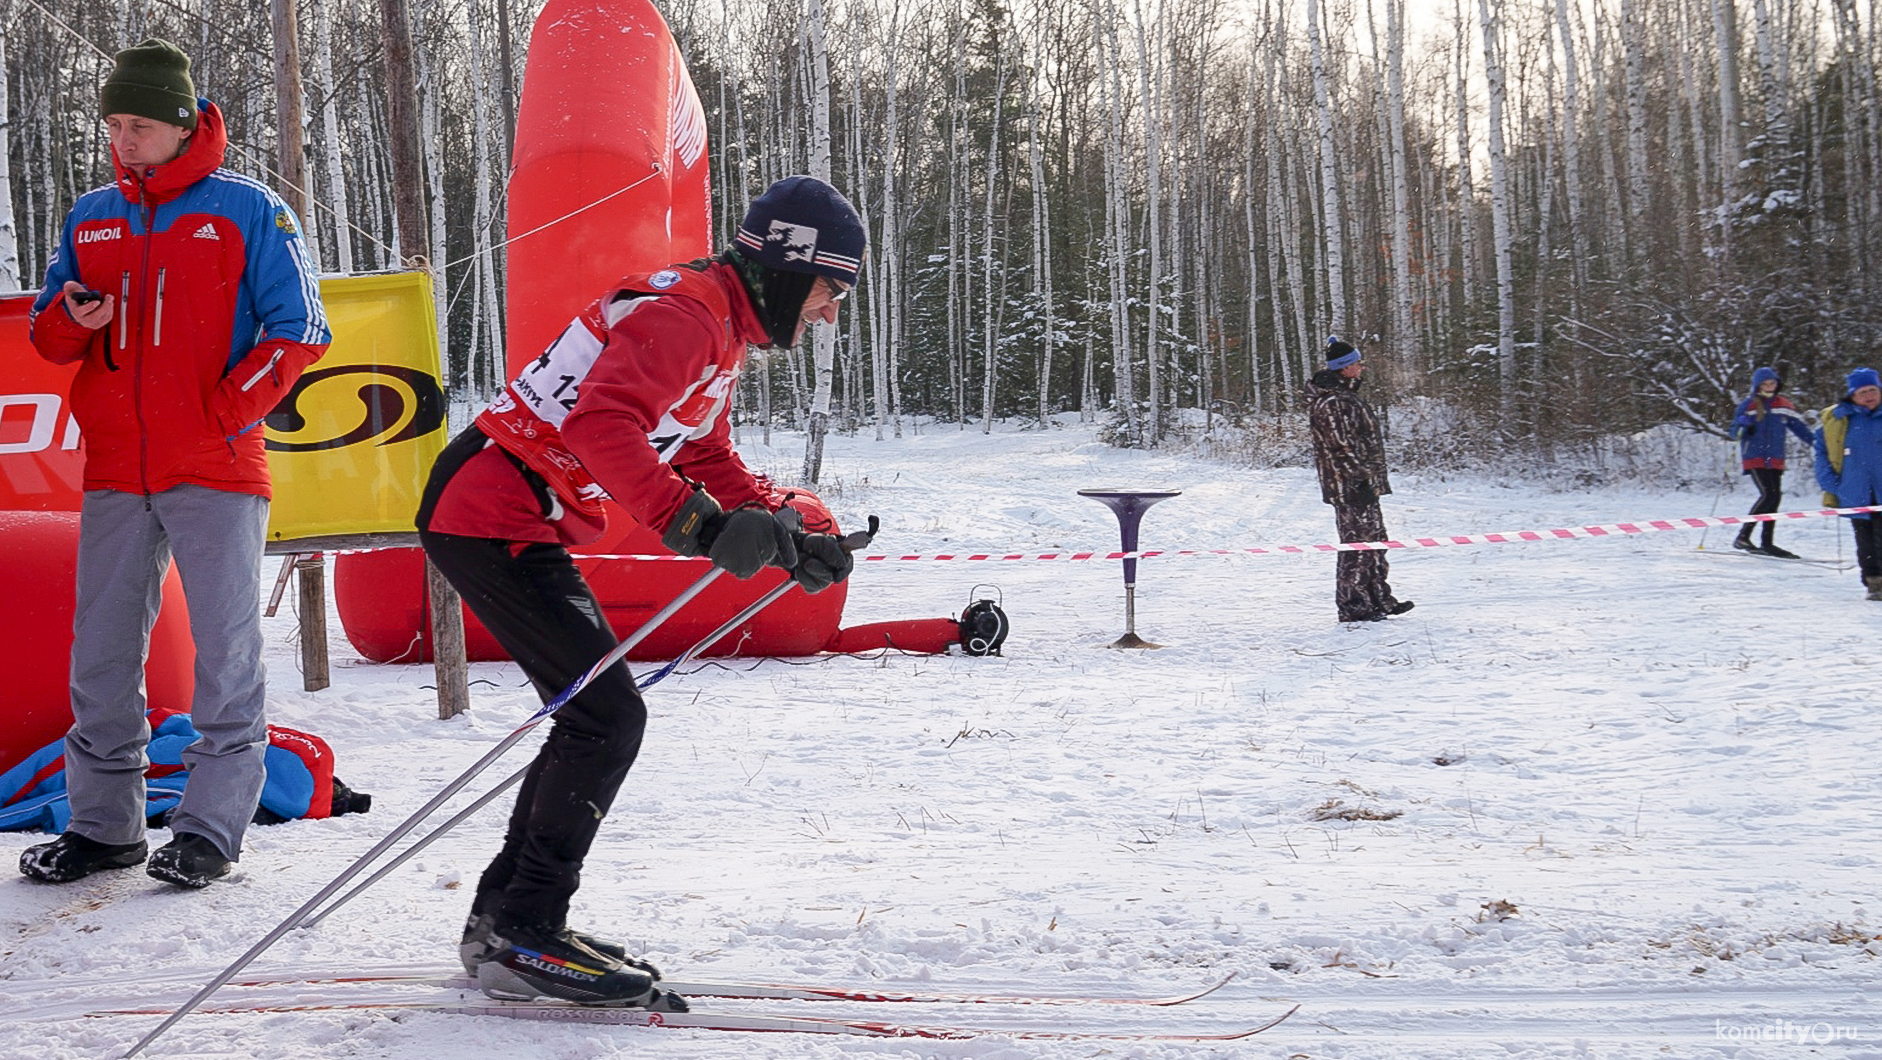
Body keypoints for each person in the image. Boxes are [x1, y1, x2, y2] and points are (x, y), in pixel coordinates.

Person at [415, 176, 864, 1009]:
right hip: (490, 507)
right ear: (789, 270)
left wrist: (788, 529)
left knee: (593, 713)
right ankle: (526, 929)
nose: (828, 313)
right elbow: (600, 424)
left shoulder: (718, 326)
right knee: (606, 715)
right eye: (830, 291)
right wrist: (692, 529)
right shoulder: (688, 315)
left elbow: (703, 457)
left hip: (514, 513)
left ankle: (506, 922)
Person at [18, 40, 330, 889]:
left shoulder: (246, 208)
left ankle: (209, 831)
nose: (125, 139)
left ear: (183, 122)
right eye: (115, 124)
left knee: (226, 654)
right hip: (118, 468)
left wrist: (225, 411)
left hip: (218, 468)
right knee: (103, 654)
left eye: (141, 124)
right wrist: (76, 318)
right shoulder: (92, 216)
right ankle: (103, 828)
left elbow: (300, 328)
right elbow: (49, 335)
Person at [1307, 336, 1413, 623]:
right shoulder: (1331, 403)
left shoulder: (1347, 397)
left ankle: (1379, 599)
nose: (1361, 367)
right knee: (1357, 546)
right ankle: (1355, 606)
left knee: (1376, 542)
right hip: (1350, 487)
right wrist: (1359, 478)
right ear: (1343, 368)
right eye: (1356, 363)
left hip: (1364, 484)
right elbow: (1340, 447)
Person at [1730, 366, 1815, 558]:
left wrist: (1816, 442)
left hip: (1775, 458)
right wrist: (1743, 427)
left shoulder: (1783, 404)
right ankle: (1743, 536)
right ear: (1757, 385)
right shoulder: (1748, 405)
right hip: (1754, 457)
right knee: (1769, 494)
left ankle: (1767, 543)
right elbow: (1734, 432)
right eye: (1765, 384)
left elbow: (1799, 427)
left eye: (1772, 383)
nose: (1769, 386)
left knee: (1775, 497)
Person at [1814, 367, 1882, 599]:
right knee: (1865, 543)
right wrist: (1832, 484)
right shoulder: (1838, 419)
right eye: (1862, 391)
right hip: (1854, 491)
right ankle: (1874, 583)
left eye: (1873, 389)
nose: (1869, 395)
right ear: (1852, 395)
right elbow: (1821, 452)